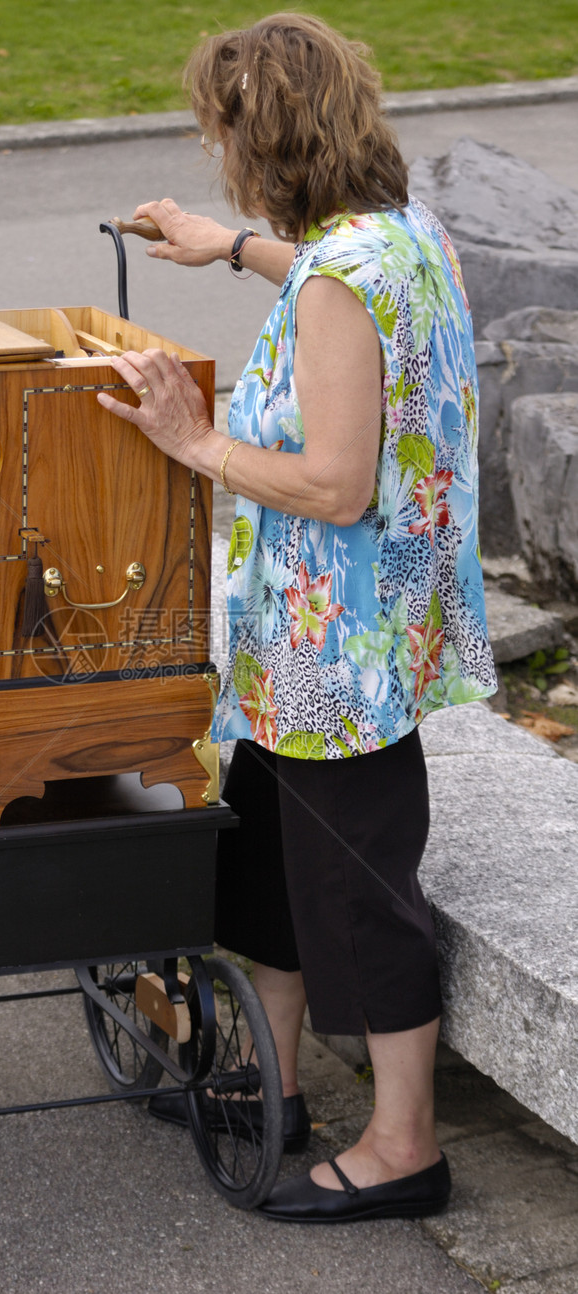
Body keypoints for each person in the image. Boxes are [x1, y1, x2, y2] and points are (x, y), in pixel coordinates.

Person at [97, 12, 496, 1223]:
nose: (220, 155)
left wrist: (194, 440)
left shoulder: (340, 280)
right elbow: (329, 285)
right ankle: (265, 1087)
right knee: (266, 866)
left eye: (224, 137)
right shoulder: (400, 234)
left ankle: (401, 1147)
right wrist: (228, 251)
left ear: (258, 140)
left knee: (356, 900)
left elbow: (333, 480)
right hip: (330, 649)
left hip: (338, 661)